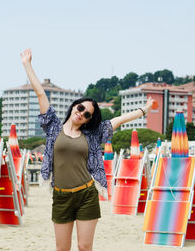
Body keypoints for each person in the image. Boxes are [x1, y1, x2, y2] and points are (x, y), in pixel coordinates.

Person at [20, 48, 154, 251]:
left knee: (84, 247)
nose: (82, 114)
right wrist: (27, 64)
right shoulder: (53, 127)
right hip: (61, 196)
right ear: (74, 106)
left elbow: (119, 119)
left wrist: (145, 109)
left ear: (90, 120)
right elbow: (40, 92)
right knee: (62, 248)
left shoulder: (92, 135)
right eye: (80, 108)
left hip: (86, 195)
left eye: (88, 114)